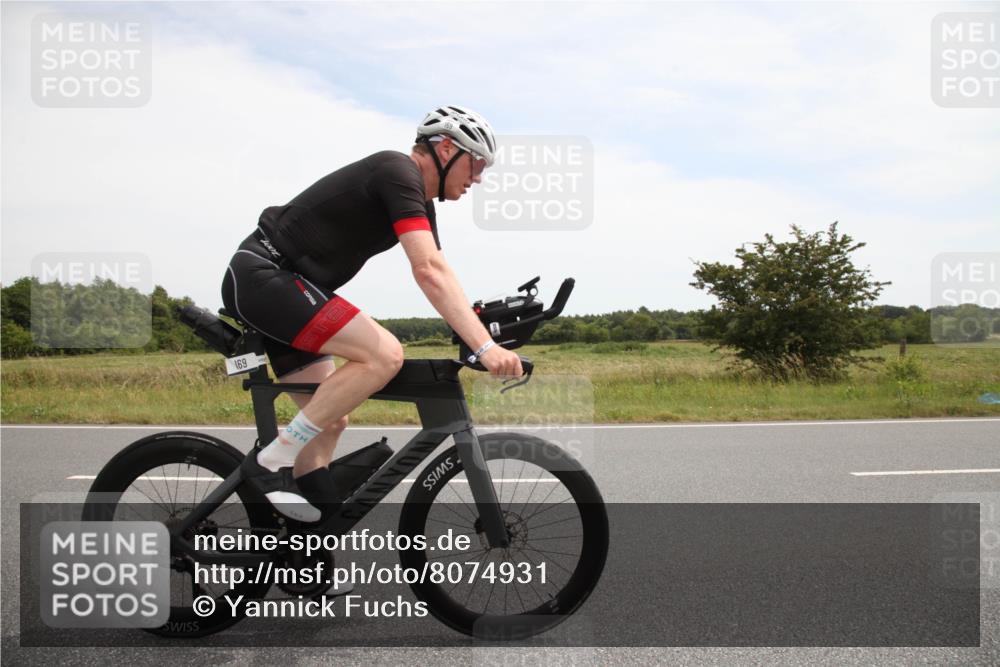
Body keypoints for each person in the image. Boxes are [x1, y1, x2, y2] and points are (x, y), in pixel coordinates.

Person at [220, 106, 523, 523]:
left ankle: (304, 547)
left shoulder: (413, 196)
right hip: (264, 277)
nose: (479, 177)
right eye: (477, 163)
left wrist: (481, 323)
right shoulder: (396, 172)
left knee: (330, 418)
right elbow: (428, 272)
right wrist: (484, 347)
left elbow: (440, 270)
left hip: (284, 290)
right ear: (447, 148)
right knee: (384, 354)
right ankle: (269, 463)